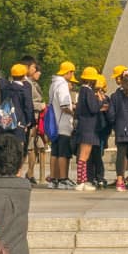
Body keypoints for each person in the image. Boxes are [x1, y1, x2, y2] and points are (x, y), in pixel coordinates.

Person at [72, 67, 105, 192]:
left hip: (83, 125)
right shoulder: (88, 91)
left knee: (83, 155)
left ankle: (83, 180)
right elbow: (93, 108)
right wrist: (100, 102)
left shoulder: (82, 91)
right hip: (89, 126)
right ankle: (81, 181)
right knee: (84, 156)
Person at [46, 61, 77, 190]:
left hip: (54, 123)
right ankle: (63, 179)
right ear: (69, 72)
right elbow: (64, 106)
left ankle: (53, 179)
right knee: (63, 153)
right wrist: (74, 112)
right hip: (63, 124)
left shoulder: (53, 84)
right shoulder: (63, 85)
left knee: (55, 152)